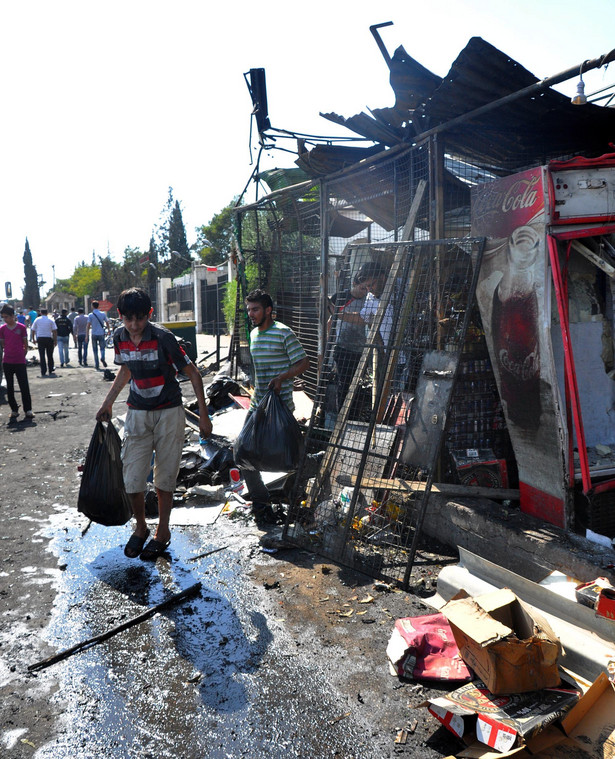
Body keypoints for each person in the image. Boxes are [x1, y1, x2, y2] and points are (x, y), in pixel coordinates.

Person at [96, 287, 211, 561]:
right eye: (129, 319)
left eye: (140, 319)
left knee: (165, 477)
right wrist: (108, 402)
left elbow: (193, 374)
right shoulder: (119, 337)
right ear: (120, 316)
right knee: (133, 478)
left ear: (149, 314)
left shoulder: (163, 338)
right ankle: (141, 527)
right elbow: (125, 370)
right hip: (138, 412)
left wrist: (204, 415)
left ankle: (162, 531)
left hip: (169, 412)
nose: (135, 326)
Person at [240, 289, 309, 524]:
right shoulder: (253, 334)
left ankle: (300, 498)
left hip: (280, 408)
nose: (251, 313)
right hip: (257, 406)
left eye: (255, 309)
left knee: (287, 457)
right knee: (242, 454)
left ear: (268, 310)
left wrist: (282, 377)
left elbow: (303, 362)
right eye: (249, 309)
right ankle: (262, 505)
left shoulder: (283, 333)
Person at [329, 271, 369, 407]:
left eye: (367, 288)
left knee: (358, 386)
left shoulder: (368, 300)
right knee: (343, 385)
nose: (365, 291)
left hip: (361, 349)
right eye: (362, 288)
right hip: (343, 347)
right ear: (354, 284)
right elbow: (329, 320)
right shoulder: (341, 297)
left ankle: (354, 417)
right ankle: (341, 415)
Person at [0, 304, 34, 420]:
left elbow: (25, 344)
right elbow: (3, 344)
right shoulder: (2, 329)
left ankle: (28, 409)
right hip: (7, 361)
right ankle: (14, 409)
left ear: (13, 316)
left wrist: (22, 355)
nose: (5, 319)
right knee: (10, 387)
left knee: (24, 385)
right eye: (3, 317)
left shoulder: (21, 328)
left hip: (19, 361)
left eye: (7, 316)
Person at [31, 308, 57, 377]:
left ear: (41, 313)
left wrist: (33, 339)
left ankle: (43, 371)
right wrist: (55, 340)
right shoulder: (51, 320)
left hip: (40, 339)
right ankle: (51, 369)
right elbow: (54, 331)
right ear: (47, 313)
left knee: (42, 356)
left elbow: (33, 330)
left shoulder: (37, 320)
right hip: (49, 339)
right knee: (49, 355)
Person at [86, 300, 110, 370]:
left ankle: (97, 364)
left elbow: (88, 326)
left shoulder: (90, 315)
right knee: (102, 348)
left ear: (92, 306)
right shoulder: (102, 314)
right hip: (101, 333)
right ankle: (102, 357)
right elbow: (107, 322)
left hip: (94, 333)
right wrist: (108, 330)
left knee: (95, 349)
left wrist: (87, 335)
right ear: (98, 306)